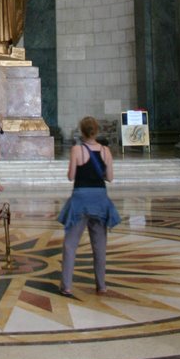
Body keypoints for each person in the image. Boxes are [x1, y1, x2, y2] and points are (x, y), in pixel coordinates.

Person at [59, 115, 120, 297]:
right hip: (100, 199)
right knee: (100, 246)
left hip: (80, 199)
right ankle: (101, 285)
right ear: (96, 131)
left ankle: (67, 286)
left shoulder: (77, 150)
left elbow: (71, 176)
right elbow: (109, 177)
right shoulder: (106, 151)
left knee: (70, 245)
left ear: (81, 130)